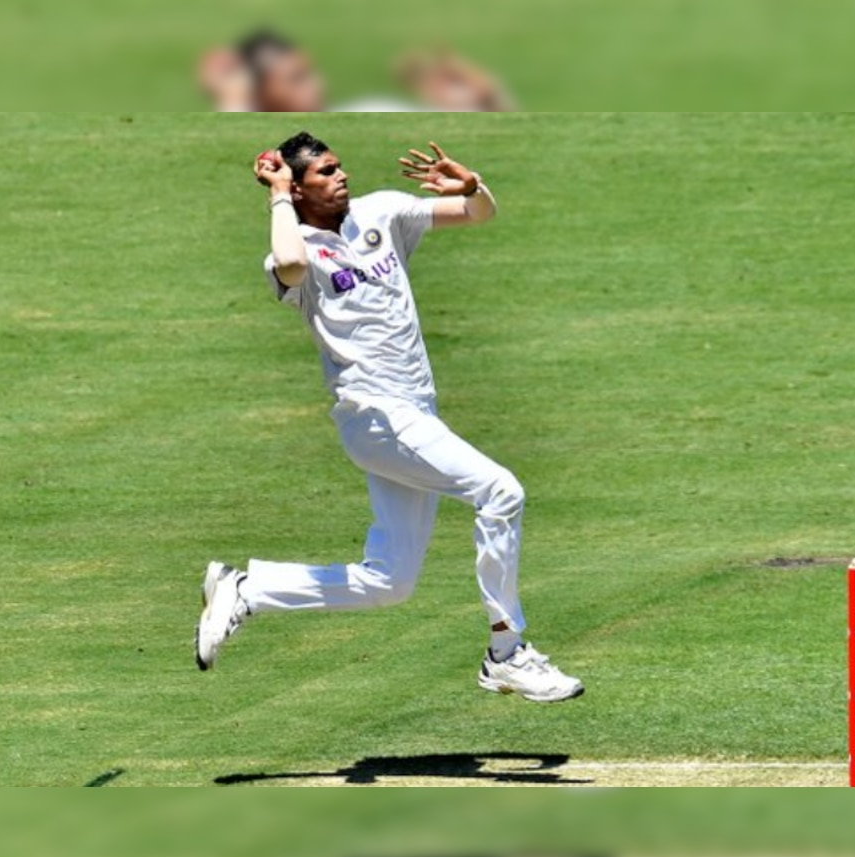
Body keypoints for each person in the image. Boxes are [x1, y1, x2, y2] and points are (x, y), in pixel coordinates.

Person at [194, 132, 582, 703]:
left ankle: (250, 588)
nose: (341, 176)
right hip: (375, 415)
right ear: (297, 189)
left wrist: (473, 186)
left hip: (414, 413)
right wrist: (277, 196)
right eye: (324, 173)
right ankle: (506, 651)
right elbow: (294, 264)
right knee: (501, 492)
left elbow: (477, 214)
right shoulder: (292, 243)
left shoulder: (381, 212)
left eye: (339, 166)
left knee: (389, 583)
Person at [197, 30, 514, 112]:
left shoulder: (373, 109)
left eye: (309, 73)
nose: (318, 85)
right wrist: (232, 96)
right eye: (297, 79)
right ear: (261, 93)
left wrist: (483, 94)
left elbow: (497, 124)